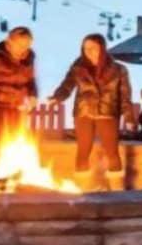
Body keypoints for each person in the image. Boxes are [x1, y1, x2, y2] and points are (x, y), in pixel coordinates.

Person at [48, 34, 135, 190]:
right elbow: (67, 85)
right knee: (83, 151)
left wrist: (129, 117)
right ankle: (83, 190)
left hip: (107, 113)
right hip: (83, 113)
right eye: (85, 47)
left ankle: (117, 192)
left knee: (112, 153)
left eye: (93, 47)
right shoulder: (78, 66)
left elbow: (125, 95)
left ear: (102, 48)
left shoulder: (118, 69)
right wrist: (58, 97)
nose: (89, 51)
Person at [0, 26, 38, 140]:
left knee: (18, 139)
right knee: (3, 141)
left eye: (27, 45)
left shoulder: (28, 57)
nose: (23, 49)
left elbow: (30, 79)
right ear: (9, 41)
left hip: (17, 107)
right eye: (20, 45)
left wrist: (33, 94)